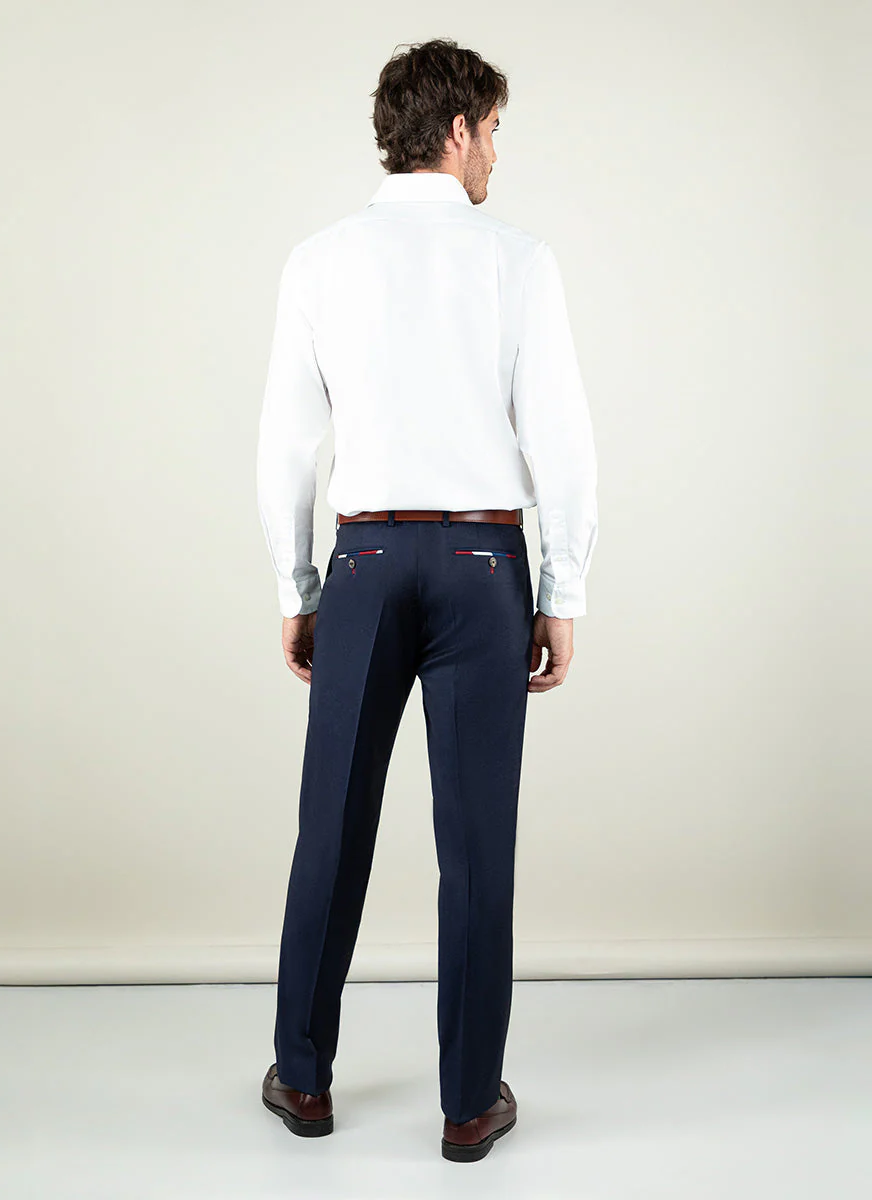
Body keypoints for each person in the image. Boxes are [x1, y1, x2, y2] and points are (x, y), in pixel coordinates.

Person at [256, 37, 599, 1162]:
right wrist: (562, 590)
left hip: (361, 563)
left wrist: (297, 583)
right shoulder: (518, 260)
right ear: (455, 130)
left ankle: (304, 1079)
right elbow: (561, 439)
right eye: (491, 129)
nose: (496, 150)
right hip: (481, 568)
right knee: (477, 843)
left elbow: (285, 443)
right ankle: (466, 1102)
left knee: (331, 827)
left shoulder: (319, 260)